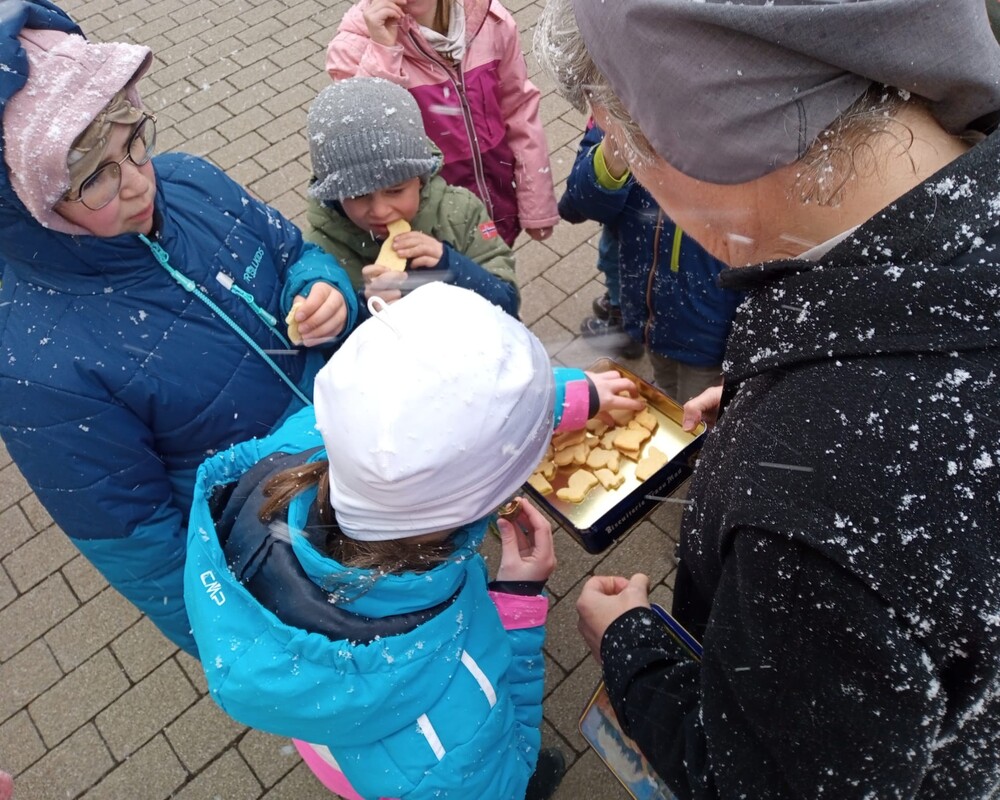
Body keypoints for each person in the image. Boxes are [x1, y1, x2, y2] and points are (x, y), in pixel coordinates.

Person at [536, 0, 1000, 796]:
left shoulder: (814, 521)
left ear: (695, 133)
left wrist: (632, 647)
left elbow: (745, 778)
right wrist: (773, 395)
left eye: (625, 148)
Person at [184, 282, 643, 800]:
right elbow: (502, 777)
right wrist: (516, 603)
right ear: (478, 499)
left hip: (351, 744)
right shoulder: (450, 737)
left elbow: (439, 402)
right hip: (436, 772)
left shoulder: (306, 447)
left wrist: (567, 397)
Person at [0, 0, 358, 656]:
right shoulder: (37, 366)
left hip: (369, 457)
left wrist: (325, 290)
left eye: (133, 141)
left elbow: (292, 253)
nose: (139, 183)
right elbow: (146, 551)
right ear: (31, 202)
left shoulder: (192, 181)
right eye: (94, 178)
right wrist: (251, 650)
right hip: (288, 553)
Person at [325, 0, 559, 247]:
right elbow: (365, 150)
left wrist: (536, 202)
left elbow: (519, 110)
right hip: (425, 234)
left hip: (496, 210)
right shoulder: (353, 48)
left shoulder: (490, 22)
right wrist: (382, 53)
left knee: (494, 265)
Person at [304, 76, 518, 318]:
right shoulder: (320, 249)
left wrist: (449, 266)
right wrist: (364, 309)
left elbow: (507, 301)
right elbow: (325, 339)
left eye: (395, 190)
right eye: (358, 195)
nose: (381, 211)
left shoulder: (462, 213)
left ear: (421, 178)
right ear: (334, 195)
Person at [560, 122, 742, 401]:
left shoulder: (754, 141)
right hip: (649, 314)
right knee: (666, 388)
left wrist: (744, 355)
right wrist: (614, 149)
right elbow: (576, 205)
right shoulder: (629, 109)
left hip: (711, 335)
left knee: (697, 410)